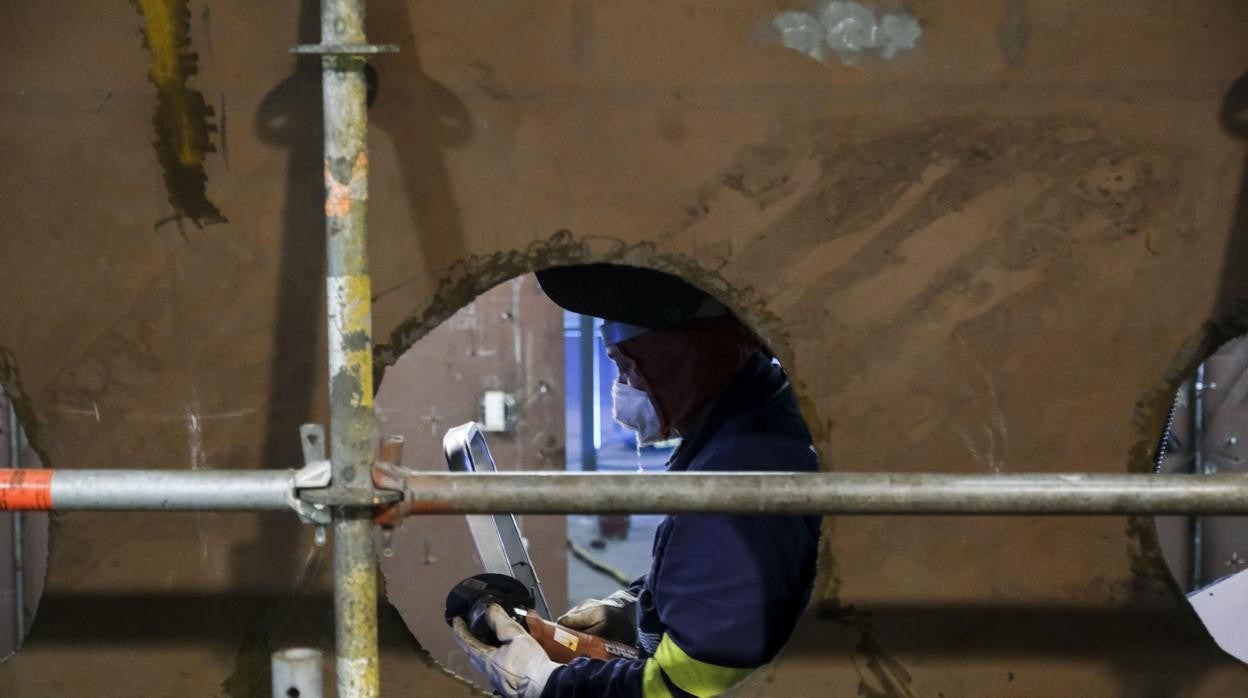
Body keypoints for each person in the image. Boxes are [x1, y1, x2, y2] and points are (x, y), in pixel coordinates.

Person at [378, 264, 822, 698]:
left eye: (627, 365)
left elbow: (687, 690)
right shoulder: (754, 423)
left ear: (679, 353)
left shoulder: (734, 483)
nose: (622, 385)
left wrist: (549, 684)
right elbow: (723, 591)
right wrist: (632, 610)